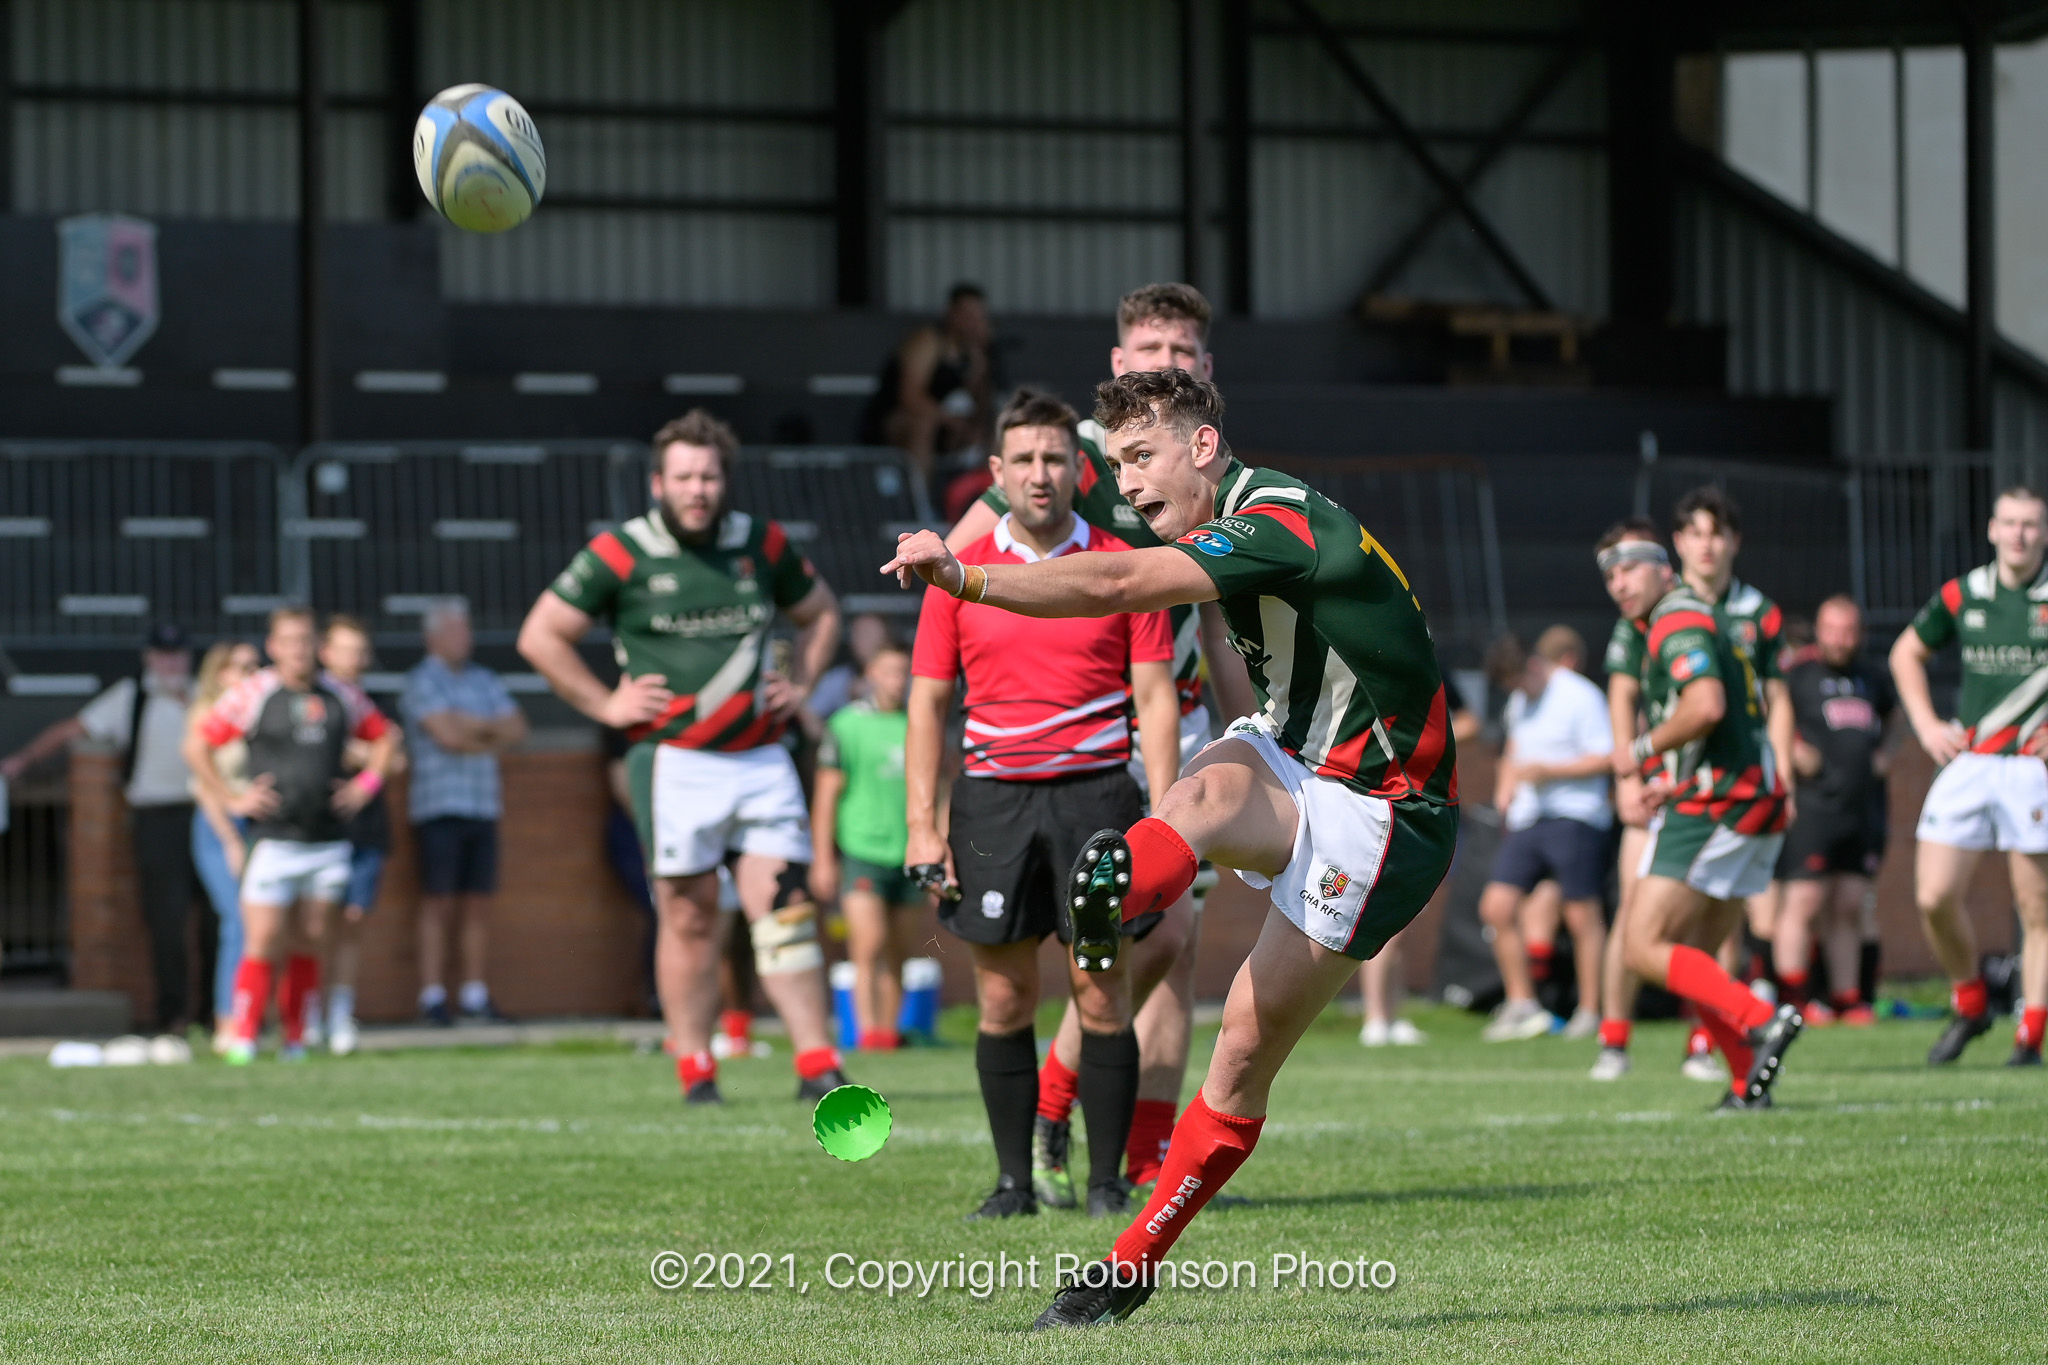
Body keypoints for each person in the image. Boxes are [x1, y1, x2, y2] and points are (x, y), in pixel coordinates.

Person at [885, 369, 1459, 1328]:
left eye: (1142, 456)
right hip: (1296, 750)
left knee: (1240, 1051)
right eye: (1116, 464)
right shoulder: (1225, 513)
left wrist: (969, 576)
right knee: (1195, 791)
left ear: (1203, 446)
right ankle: (1120, 897)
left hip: (1386, 806)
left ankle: (1131, 1262)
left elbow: (1116, 583)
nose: (1127, 483)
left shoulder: (1277, 519)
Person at [947, 282, 1258, 1201]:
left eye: (1182, 351)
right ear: (1119, 364)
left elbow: (1218, 620)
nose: (1166, 362)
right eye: (1150, 350)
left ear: (1205, 367)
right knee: (1149, 938)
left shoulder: (1213, 467)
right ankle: (1059, 1098)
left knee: (1173, 943)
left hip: (1177, 716)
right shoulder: (1075, 456)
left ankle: (1140, 1152)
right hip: (1090, 729)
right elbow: (966, 563)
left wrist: (1254, 724)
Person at [907, 387, 1183, 1222]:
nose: (1040, 473)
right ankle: (1012, 1185)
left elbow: (1156, 698)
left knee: (1101, 990)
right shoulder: (956, 573)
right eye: (1024, 458)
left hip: (1098, 799)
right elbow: (927, 703)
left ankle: (1106, 1186)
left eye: (1055, 458)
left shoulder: (1122, 565)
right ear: (998, 470)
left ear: (1078, 469)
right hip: (992, 805)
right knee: (1003, 999)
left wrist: (1166, 820)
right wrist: (922, 825)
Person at [519, 408, 848, 1104]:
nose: (697, 489)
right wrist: (605, 704)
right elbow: (541, 635)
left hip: (762, 756)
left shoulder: (760, 542)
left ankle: (818, 1063)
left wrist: (802, 683)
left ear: (725, 481)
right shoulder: (621, 551)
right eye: (684, 477)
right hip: (674, 762)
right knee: (690, 915)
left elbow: (821, 611)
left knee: (786, 908)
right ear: (657, 483)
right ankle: (696, 1067)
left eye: (709, 476)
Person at [1597, 522, 1803, 1112]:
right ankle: (1746, 1083)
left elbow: (1706, 705)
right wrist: (1675, 779)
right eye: (1609, 575)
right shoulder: (1698, 614)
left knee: (1642, 946)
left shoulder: (1675, 618)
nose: (1618, 584)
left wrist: (1639, 752)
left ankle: (1762, 1019)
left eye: (1629, 569)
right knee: (1699, 958)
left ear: (1665, 569)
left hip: (1719, 805)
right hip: (1747, 794)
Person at [184, 607, 397, 1063]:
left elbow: (385, 738)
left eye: (306, 640)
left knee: (311, 939)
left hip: (327, 840)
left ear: (318, 646)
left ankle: (295, 1038)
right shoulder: (254, 693)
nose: (299, 650)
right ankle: (244, 1035)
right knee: (262, 938)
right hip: (273, 839)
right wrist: (231, 798)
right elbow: (197, 745)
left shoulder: (341, 694)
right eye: (290, 641)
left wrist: (366, 785)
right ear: (274, 646)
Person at [1890, 486, 2048, 1067]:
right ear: (1991, 529)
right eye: (2010, 523)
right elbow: (1905, 653)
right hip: (1971, 760)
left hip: (2031, 768)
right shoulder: (1964, 593)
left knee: (2036, 908)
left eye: (2030, 524)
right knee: (1933, 896)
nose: (2019, 534)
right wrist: (1927, 725)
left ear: (2044, 532)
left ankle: (2030, 1036)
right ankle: (1972, 1001)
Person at [3, 622, 204, 1035]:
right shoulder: (133, 696)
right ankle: (172, 1015)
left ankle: (215, 1016)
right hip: (157, 817)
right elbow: (74, 729)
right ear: (149, 658)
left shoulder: (207, 696)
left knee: (219, 920)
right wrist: (22, 760)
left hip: (209, 816)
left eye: (177, 655)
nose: (171, 663)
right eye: (163, 655)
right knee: (165, 919)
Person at [1670, 487, 1794, 994]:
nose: (1706, 545)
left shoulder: (1760, 612)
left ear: (1735, 542)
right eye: (1696, 533)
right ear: (1679, 541)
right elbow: (1636, 694)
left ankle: (1733, 1007)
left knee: (1734, 902)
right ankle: (1614, 1031)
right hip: (1676, 783)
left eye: (1716, 534)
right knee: (1654, 917)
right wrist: (1634, 766)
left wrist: (1783, 775)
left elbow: (1779, 700)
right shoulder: (1662, 607)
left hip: (1744, 779)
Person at [1479, 626, 1613, 1042]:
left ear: (1535, 665)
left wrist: (1549, 771)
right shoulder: (1520, 700)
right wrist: (1505, 787)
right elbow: (1513, 753)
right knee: (1496, 908)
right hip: (1529, 818)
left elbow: (1606, 757)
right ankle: (1523, 1004)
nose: (1516, 690)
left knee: (1580, 914)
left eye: (1518, 680)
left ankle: (1591, 1011)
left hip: (1576, 815)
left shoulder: (1581, 695)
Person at [1773, 596, 1899, 1025]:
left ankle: (1846, 998)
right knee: (1804, 900)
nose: (1839, 640)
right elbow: (1772, 715)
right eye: (1831, 630)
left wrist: (1886, 754)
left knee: (1848, 903)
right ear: (1819, 630)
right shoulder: (1798, 675)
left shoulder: (1872, 677)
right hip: (1813, 807)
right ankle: (1793, 998)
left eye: (1847, 632)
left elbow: (1896, 718)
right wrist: (1791, 753)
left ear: (1859, 634)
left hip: (1860, 808)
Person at [401, 599, 525, 1026]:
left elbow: (517, 727)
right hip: (438, 807)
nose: (464, 637)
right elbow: (447, 737)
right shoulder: (421, 680)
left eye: (466, 629)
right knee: (437, 902)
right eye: (455, 630)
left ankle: (474, 995)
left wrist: (467, 725)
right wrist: (487, 734)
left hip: (482, 804)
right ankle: (432, 995)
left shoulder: (484, 678)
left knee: (478, 904)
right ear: (432, 637)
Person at [810, 639, 919, 1050]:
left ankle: (888, 1033)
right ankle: (866, 1032)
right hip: (862, 850)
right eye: (889, 672)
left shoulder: (917, 722)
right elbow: (826, 796)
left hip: (908, 852)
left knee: (899, 951)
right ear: (871, 674)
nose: (897, 681)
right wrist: (823, 859)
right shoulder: (846, 725)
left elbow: (940, 789)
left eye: (903, 672)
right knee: (868, 943)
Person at [319, 616, 405, 1052]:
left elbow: (397, 760)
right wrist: (371, 754)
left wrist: (360, 761)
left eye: (360, 650)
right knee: (314, 924)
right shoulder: (313, 701)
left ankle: (339, 1011)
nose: (354, 658)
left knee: (352, 920)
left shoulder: (376, 703)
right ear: (325, 653)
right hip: (320, 827)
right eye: (345, 649)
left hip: (366, 828)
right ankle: (305, 1010)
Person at [187, 639, 261, 1054]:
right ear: (220, 673)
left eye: (255, 667)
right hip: (219, 826)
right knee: (237, 920)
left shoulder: (258, 711)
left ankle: (255, 1018)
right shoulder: (208, 713)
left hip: (257, 824)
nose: (252, 675)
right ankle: (228, 1021)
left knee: (262, 925)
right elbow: (203, 785)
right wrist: (231, 836)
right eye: (242, 667)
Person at [860, 282, 993, 491]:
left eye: (977, 317)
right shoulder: (927, 342)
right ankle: (918, 497)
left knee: (997, 433)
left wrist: (983, 360)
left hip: (946, 425)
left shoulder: (973, 355)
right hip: (895, 422)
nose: (971, 323)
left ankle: (986, 498)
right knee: (924, 424)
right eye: (966, 315)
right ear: (951, 313)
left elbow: (977, 401)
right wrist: (952, 421)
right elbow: (910, 397)